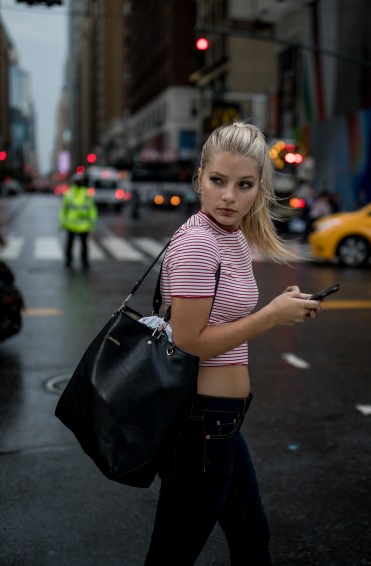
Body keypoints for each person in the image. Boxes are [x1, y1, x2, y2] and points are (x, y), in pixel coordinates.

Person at [145, 121, 322, 565]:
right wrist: (270, 318)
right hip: (201, 421)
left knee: (251, 536)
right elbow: (189, 344)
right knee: (174, 553)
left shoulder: (231, 238)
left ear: (259, 189)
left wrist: (279, 306)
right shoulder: (198, 245)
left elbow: (223, 315)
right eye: (218, 181)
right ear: (199, 178)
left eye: (244, 185)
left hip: (223, 421)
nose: (229, 196)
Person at [60, 173, 98, 268]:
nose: (79, 183)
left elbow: (92, 209)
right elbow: (64, 209)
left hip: (83, 225)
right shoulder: (69, 193)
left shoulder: (87, 194)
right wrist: (63, 221)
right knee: (70, 244)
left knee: (83, 245)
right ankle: (69, 260)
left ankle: (84, 261)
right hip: (71, 224)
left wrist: (92, 222)